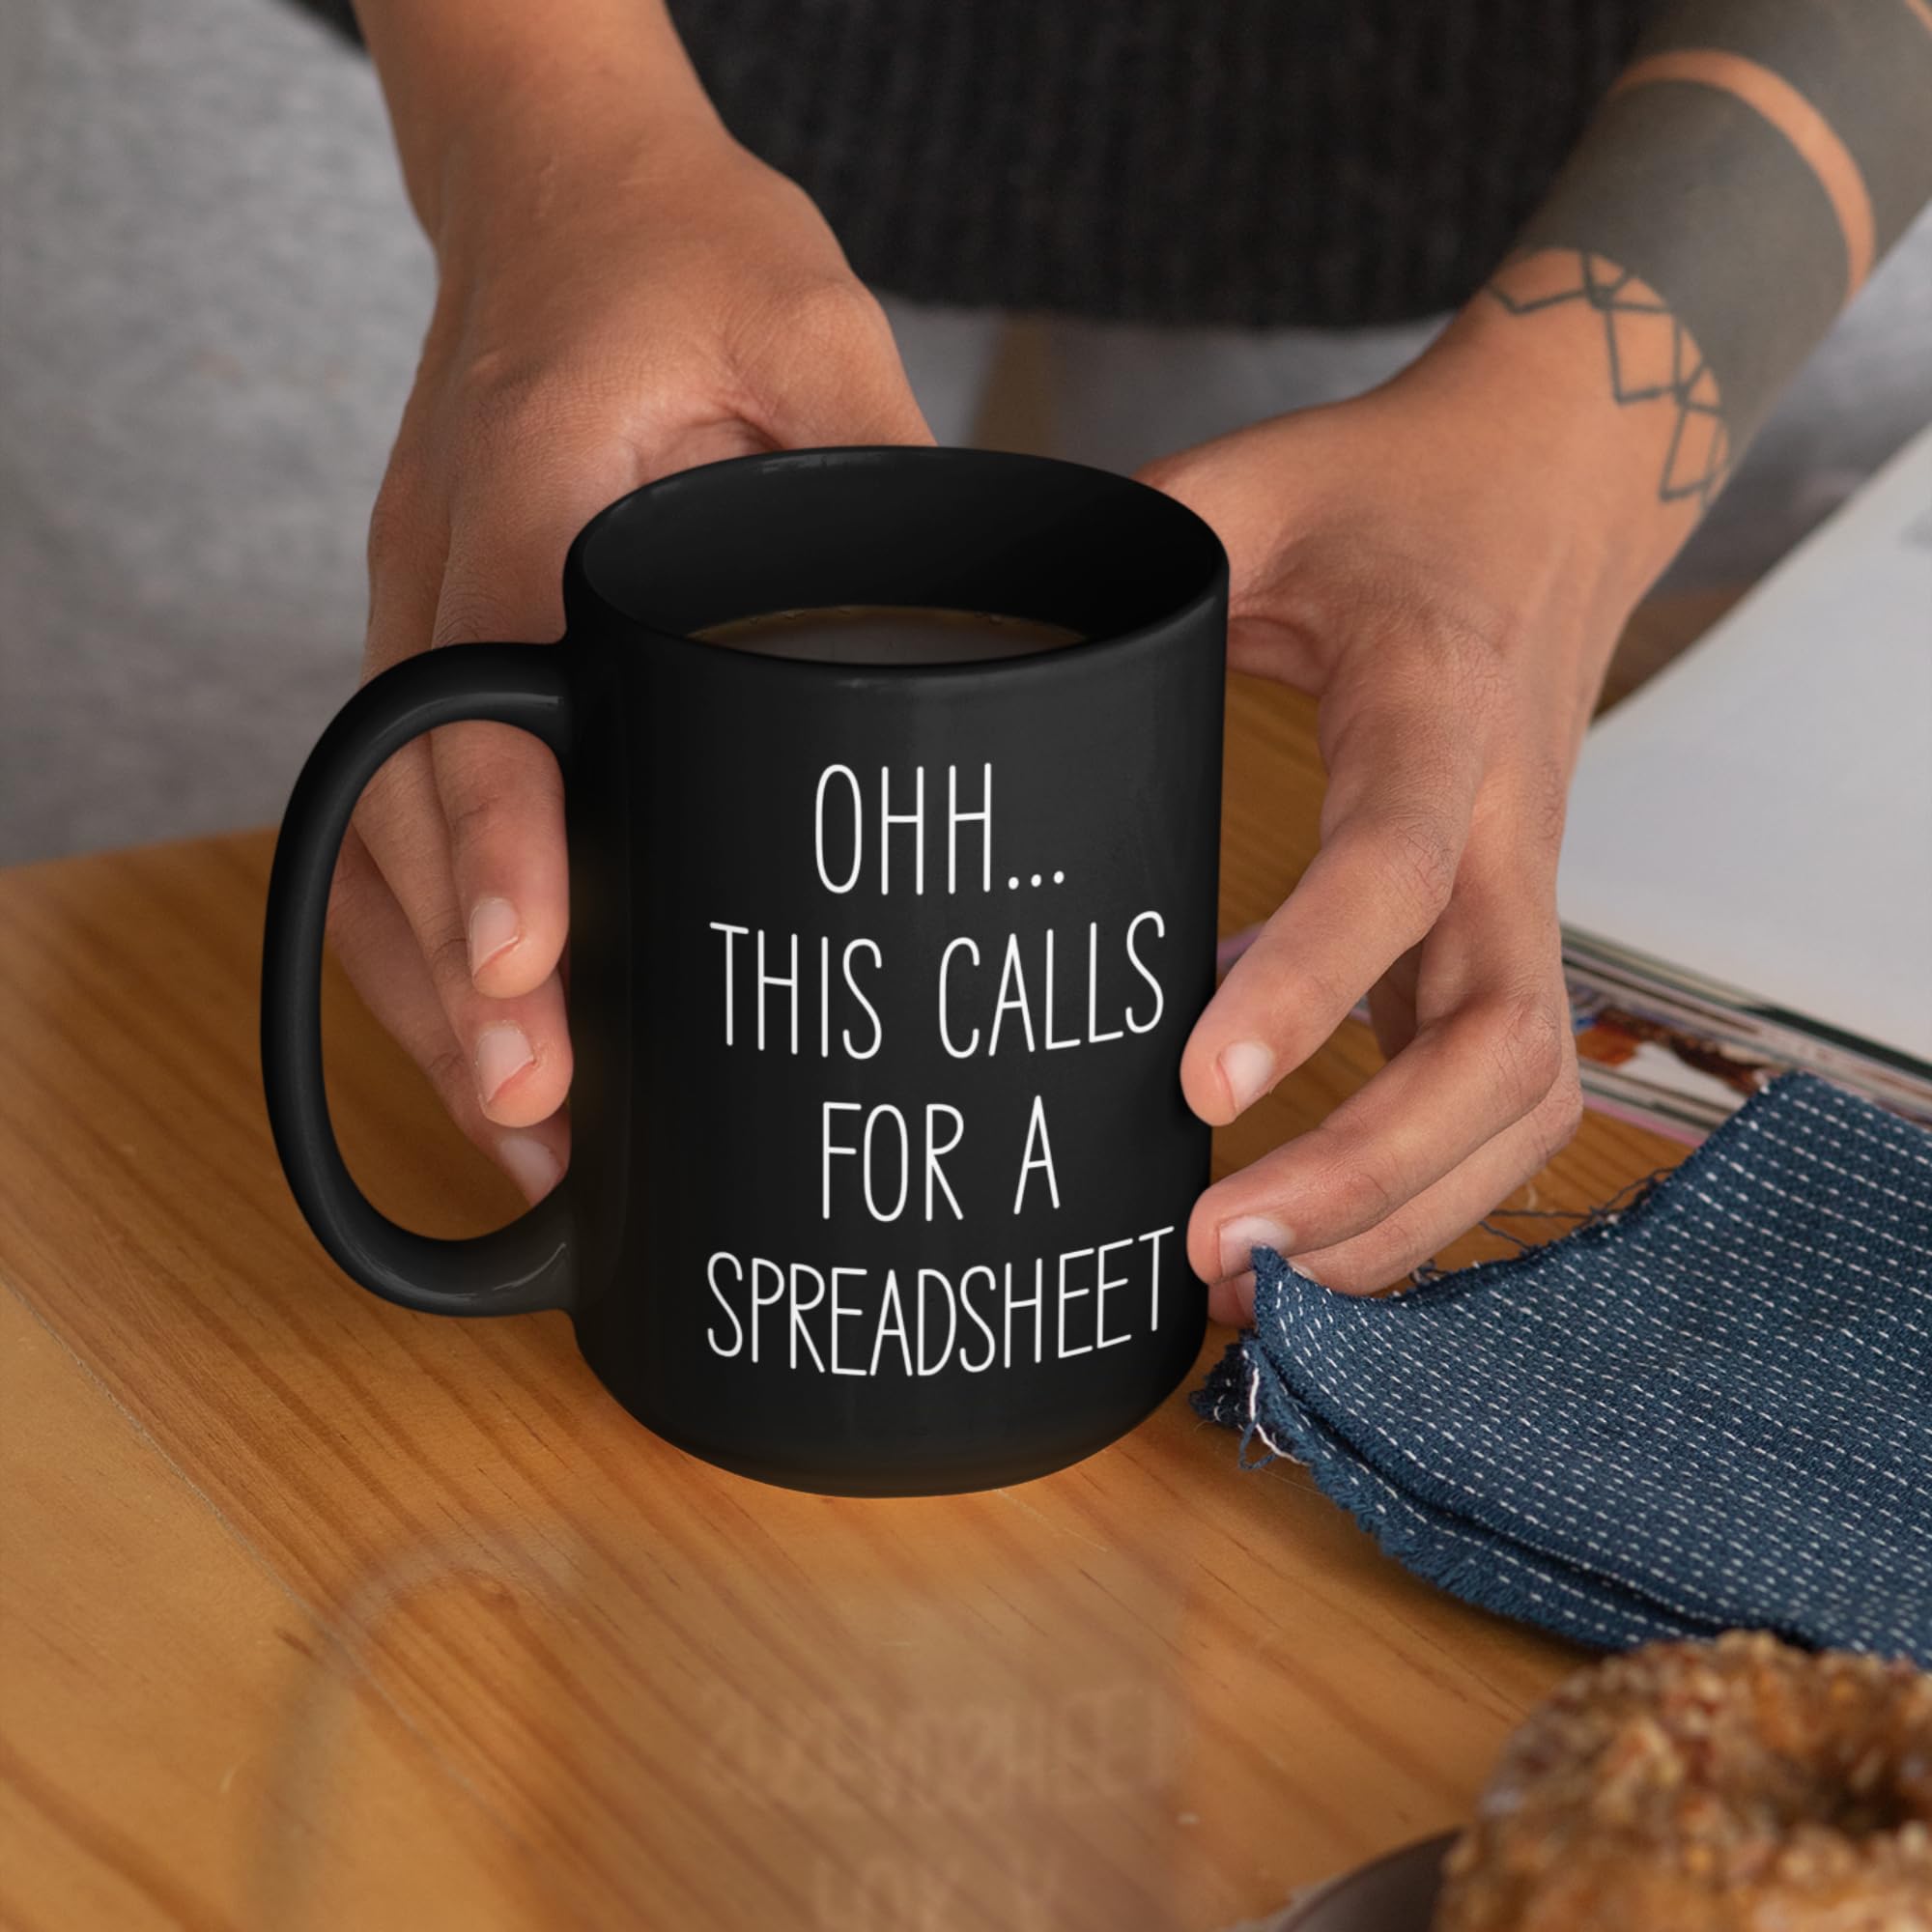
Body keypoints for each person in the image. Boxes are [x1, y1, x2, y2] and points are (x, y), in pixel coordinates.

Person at [11, 0, 1930, 1314]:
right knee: (189, 1045)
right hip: (406, 83)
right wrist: (535, 116)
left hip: (1631, 133)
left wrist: (1572, 455)